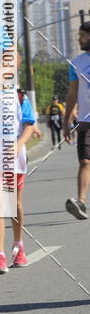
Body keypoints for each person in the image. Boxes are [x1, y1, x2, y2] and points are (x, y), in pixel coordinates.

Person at [0, 77, 35, 273]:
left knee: (14, 203)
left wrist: (18, 145)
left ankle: (19, 246)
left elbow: (29, 124)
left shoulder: (18, 96)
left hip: (14, 158)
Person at [64, 22, 90, 220]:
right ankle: (81, 202)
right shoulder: (76, 63)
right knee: (84, 161)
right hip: (85, 121)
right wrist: (66, 123)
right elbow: (72, 94)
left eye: (82, 35)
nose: (78, 39)